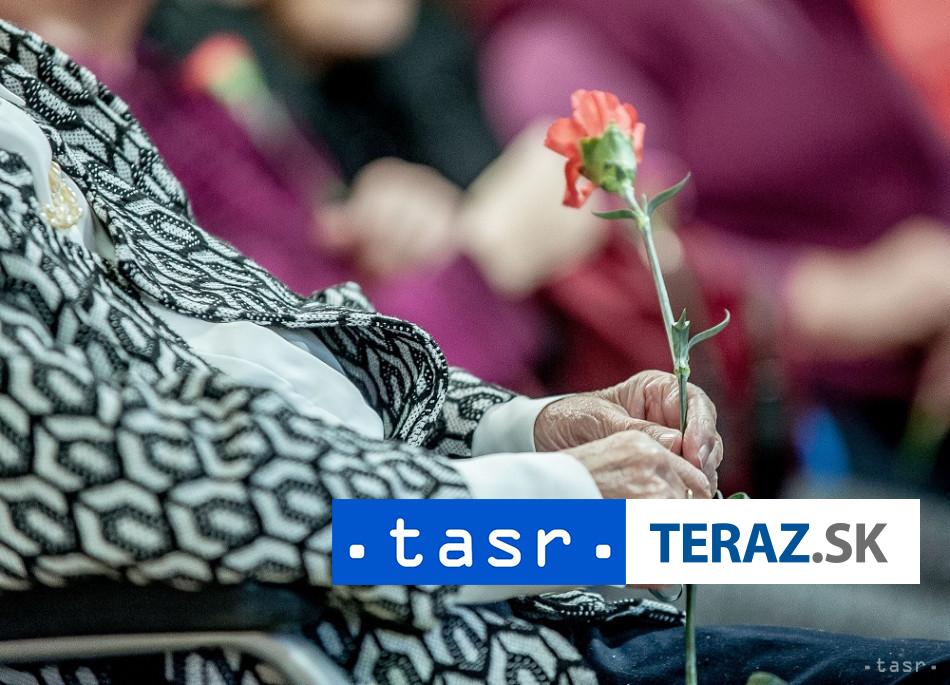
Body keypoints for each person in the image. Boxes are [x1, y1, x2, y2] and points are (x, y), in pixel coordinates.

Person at [0, 20, 949, 685]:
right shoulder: (208, 92)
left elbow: (320, 373)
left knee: (904, 551)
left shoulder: (99, 95)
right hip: (427, 597)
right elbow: (115, 466)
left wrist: (530, 430)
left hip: (519, 536)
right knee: (909, 619)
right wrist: (545, 490)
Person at [468, 0, 950, 491]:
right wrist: (819, 295)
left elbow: (920, 144)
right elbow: (637, 248)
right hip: (805, 407)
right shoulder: (554, 42)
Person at [0, 0, 547, 392]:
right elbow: (271, 408)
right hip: (355, 504)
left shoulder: (170, 68)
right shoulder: (28, 129)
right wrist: (482, 257)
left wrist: (385, 235)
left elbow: (303, 276)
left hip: (442, 457)